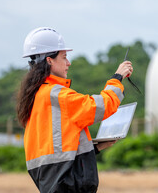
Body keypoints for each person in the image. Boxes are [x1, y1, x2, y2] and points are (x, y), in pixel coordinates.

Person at [16, 27, 133, 192]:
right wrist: (117, 78)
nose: (68, 63)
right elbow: (99, 107)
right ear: (49, 60)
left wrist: (95, 148)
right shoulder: (55, 94)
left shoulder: (35, 96)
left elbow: (56, 150)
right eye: (64, 57)